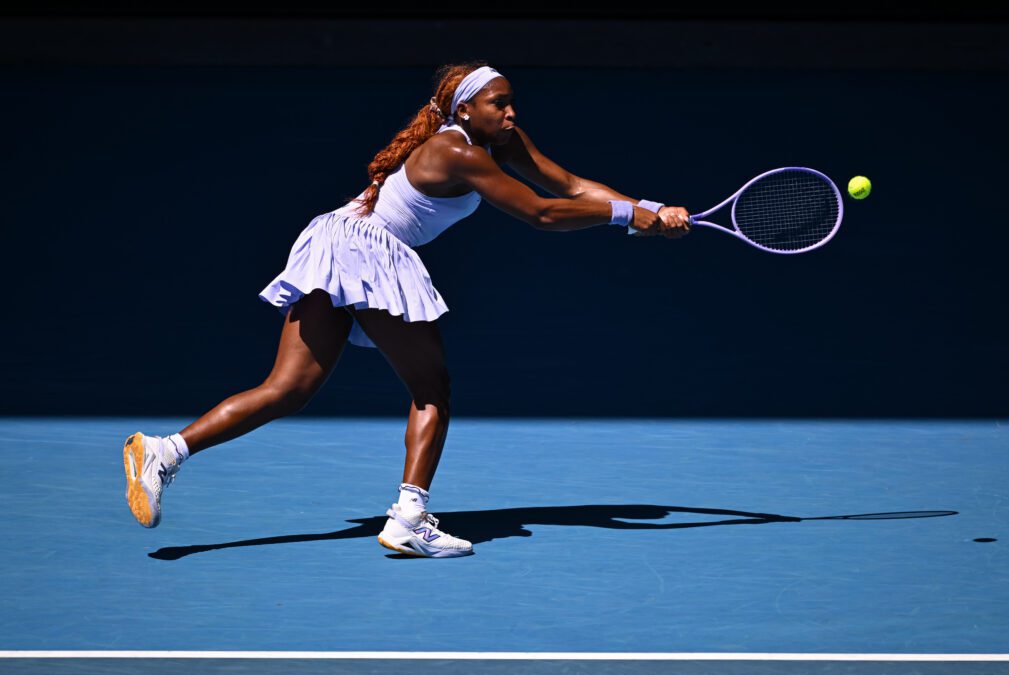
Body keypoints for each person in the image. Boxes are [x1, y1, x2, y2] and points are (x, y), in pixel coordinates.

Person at [122, 62, 691, 559]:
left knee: (289, 388)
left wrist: (650, 207)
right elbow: (541, 214)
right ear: (465, 109)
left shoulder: (494, 140)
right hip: (366, 250)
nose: (512, 111)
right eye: (500, 103)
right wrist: (622, 218)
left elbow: (565, 184)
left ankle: (164, 452)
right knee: (431, 388)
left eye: (513, 101)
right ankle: (409, 520)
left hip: (338, 238)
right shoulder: (454, 150)